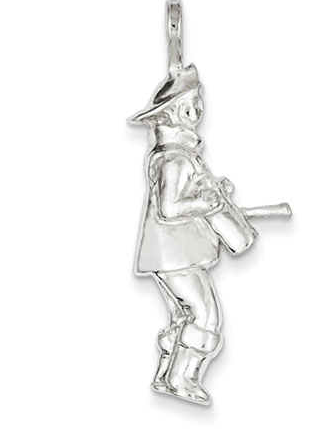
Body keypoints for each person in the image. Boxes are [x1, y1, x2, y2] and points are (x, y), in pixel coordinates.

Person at [128, 65, 228, 404]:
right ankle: (183, 378)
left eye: (198, 102)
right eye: (189, 104)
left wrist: (211, 193)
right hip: (176, 254)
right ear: (171, 113)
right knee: (206, 314)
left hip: (170, 253)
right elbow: (170, 208)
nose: (197, 111)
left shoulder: (175, 155)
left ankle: (166, 373)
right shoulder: (176, 159)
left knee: (185, 314)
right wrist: (205, 202)